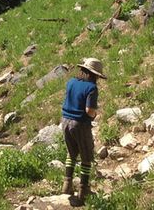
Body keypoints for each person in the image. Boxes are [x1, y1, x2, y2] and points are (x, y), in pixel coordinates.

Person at [61, 57, 105, 205]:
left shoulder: (71, 82)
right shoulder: (91, 88)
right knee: (86, 156)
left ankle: (66, 185)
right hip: (80, 124)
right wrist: (95, 115)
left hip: (65, 121)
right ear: (94, 75)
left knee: (71, 153)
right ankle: (83, 191)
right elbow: (89, 110)